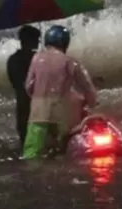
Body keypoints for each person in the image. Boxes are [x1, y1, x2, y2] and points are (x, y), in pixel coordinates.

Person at [21, 25, 98, 160]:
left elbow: (28, 87)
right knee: (61, 153)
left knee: (31, 155)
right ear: (65, 42)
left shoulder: (36, 59)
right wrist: (91, 102)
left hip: (37, 114)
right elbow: (87, 87)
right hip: (60, 115)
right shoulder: (70, 62)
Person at [6, 26, 41, 150]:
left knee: (25, 142)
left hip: (21, 106)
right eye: (37, 39)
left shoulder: (12, 60)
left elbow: (14, 82)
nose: (39, 42)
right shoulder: (37, 59)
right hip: (36, 106)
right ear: (30, 40)